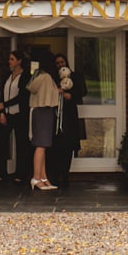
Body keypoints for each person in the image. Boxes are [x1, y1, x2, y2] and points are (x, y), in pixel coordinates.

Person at [26, 51, 60, 190]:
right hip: (42, 110)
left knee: (43, 145)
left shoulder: (40, 76)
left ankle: (43, 176)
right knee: (41, 145)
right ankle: (36, 177)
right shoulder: (45, 77)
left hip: (41, 110)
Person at [0, 51, 29, 182]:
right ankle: (1, 172)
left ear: (19, 61)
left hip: (19, 114)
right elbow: (2, 93)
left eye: (12, 59)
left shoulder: (25, 76)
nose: (10, 61)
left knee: (21, 144)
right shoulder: (8, 76)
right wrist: (2, 112)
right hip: (7, 114)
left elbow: (22, 97)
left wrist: (5, 104)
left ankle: (20, 173)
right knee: (2, 143)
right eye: (9, 59)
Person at [48, 52, 79, 189]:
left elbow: (81, 92)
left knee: (68, 146)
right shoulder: (53, 79)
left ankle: (65, 173)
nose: (60, 65)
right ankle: (55, 174)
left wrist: (70, 96)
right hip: (56, 115)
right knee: (56, 146)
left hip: (69, 116)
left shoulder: (75, 76)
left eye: (62, 62)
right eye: (58, 63)